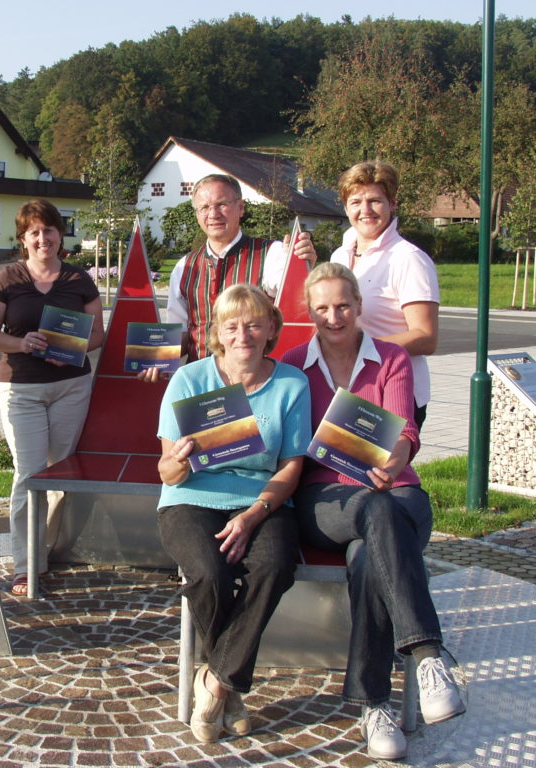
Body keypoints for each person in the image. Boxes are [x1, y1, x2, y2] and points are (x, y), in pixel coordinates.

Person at [280, 263, 464, 761]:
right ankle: (426, 654)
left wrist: (393, 459)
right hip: (325, 500)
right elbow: (290, 445)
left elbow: (405, 432)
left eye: (343, 304)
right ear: (309, 312)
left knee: (369, 550)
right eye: (322, 307)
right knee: (373, 511)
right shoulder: (294, 365)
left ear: (360, 305)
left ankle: (374, 705)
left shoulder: (392, 358)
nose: (334, 316)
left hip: (397, 492)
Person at [157, 283, 310, 743]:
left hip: (262, 499)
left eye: (253, 324)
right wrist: (179, 459)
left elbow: (291, 466)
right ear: (218, 334)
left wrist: (253, 515)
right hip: (192, 497)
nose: (243, 334)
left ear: (270, 330)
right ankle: (231, 683)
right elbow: (166, 473)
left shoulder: (290, 383)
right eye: (232, 326)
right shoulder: (189, 380)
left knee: (275, 565)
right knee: (208, 573)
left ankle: (216, 680)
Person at [0, 199, 105, 596]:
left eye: (48, 229)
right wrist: (20, 342)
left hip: (71, 386)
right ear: (23, 239)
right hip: (21, 389)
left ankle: (45, 555)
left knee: (59, 477)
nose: (42, 238)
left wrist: (73, 347)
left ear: (59, 235)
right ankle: (23, 566)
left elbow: (99, 334)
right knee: (28, 475)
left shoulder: (79, 280)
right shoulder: (8, 280)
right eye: (33, 231)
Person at [329, 161, 439, 428]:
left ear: (392, 203)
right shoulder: (340, 255)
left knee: (379, 469)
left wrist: (359, 349)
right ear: (345, 207)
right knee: (345, 468)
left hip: (394, 392)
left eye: (375, 201)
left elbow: (426, 337)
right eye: (355, 202)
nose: (365, 210)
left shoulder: (409, 259)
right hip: (350, 387)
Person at [165, 173, 317, 361]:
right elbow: (179, 332)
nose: (213, 214)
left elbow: (299, 302)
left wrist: (303, 266)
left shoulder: (272, 253)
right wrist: (155, 360)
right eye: (204, 207)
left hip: (256, 379)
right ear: (197, 214)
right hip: (200, 382)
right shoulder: (184, 267)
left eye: (222, 204)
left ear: (241, 207)